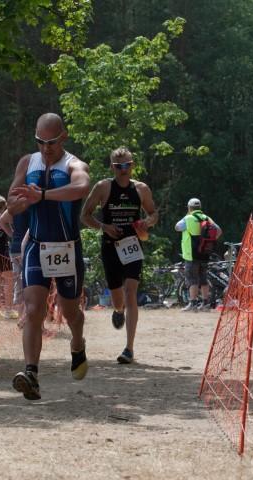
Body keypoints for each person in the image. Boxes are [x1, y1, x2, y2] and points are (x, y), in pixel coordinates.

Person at [7, 113, 91, 400]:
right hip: (36, 246)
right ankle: (31, 373)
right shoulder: (26, 162)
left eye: (51, 142)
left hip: (67, 248)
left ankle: (77, 344)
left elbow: (81, 187)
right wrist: (18, 204)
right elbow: (12, 201)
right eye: (40, 142)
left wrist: (42, 195)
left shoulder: (73, 164)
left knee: (70, 312)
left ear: (63, 137)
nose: (45, 148)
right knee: (33, 310)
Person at [80, 147, 158, 364]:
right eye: (118, 166)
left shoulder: (141, 189)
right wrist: (104, 227)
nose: (123, 170)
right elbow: (85, 215)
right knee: (117, 298)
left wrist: (147, 222)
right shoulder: (103, 187)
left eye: (127, 165)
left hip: (132, 246)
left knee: (131, 291)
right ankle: (118, 310)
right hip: (110, 247)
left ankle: (129, 349)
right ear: (112, 167)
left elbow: (153, 213)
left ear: (132, 165)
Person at [174, 198, 222, 311]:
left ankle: (193, 304)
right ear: (200, 207)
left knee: (192, 279)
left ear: (189, 208)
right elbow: (219, 231)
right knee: (203, 278)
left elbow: (177, 227)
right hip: (205, 252)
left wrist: (187, 215)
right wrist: (209, 241)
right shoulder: (207, 218)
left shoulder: (188, 218)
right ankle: (205, 304)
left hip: (191, 254)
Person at [0, 210, 29, 324]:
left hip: (15, 247)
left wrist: (12, 234)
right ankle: (25, 319)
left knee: (19, 283)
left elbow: (1, 220)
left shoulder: (15, 206)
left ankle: (21, 318)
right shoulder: (33, 204)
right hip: (28, 247)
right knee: (29, 282)